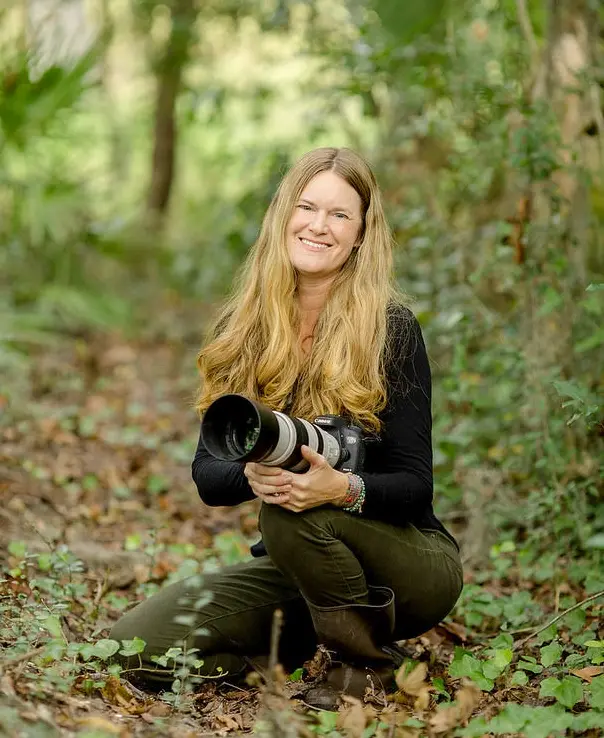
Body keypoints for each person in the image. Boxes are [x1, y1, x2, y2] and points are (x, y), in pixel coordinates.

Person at [109, 147, 463, 710]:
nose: (319, 226)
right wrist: (257, 473)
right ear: (283, 216)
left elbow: (416, 486)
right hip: (299, 567)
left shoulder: (390, 328)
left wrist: (341, 488)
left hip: (411, 565)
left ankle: (365, 668)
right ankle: (285, 648)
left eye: (340, 215)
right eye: (307, 207)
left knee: (294, 510)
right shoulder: (244, 328)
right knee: (125, 650)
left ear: (361, 235)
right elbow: (208, 475)